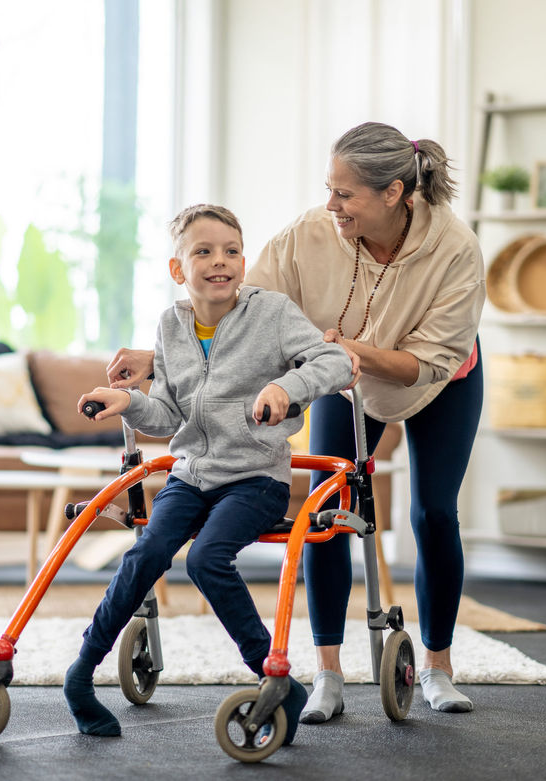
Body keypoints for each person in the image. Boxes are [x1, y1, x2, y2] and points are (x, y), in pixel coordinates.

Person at [107, 122, 484, 718]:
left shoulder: (456, 249)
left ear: (393, 192)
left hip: (436, 380)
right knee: (326, 511)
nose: (330, 204)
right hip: (341, 375)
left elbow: (430, 359)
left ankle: (438, 667)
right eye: (328, 189)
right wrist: (157, 359)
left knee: (433, 512)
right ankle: (328, 671)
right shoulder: (310, 234)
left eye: (345, 194)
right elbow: (236, 323)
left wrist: (349, 352)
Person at [66, 203, 354, 741]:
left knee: (205, 559)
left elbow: (334, 362)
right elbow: (170, 417)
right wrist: (127, 401)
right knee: (147, 552)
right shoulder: (171, 325)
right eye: (203, 251)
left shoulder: (272, 313)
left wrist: (283, 388)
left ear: (244, 263)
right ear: (179, 269)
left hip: (256, 479)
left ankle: (274, 677)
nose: (220, 262)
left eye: (231, 251)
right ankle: (80, 675)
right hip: (191, 476)